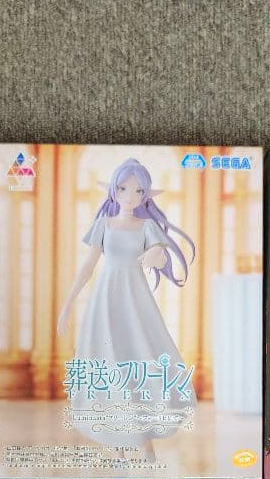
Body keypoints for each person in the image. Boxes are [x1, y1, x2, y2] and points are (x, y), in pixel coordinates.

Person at [57, 157, 196, 460]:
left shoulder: (147, 226)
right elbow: (87, 267)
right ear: (113, 190)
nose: (130, 196)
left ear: (145, 195)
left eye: (138, 191)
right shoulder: (103, 225)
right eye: (123, 189)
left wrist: (156, 255)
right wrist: (67, 304)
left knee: (137, 357)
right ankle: (118, 436)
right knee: (109, 361)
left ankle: (142, 438)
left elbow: (160, 254)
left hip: (135, 299)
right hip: (105, 299)